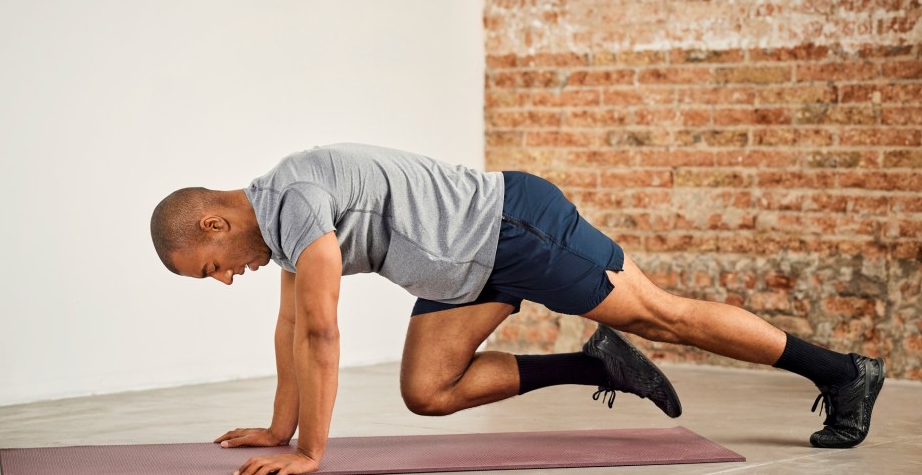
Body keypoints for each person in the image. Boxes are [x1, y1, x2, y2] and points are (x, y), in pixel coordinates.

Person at [150, 142, 885, 475]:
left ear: (214, 225)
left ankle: (844, 372)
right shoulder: (281, 220)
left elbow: (320, 329)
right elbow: (289, 327)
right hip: (458, 263)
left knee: (663, 315)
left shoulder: (298, 201)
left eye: (212, 269)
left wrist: (311, 452)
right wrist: (280, 429)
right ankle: (592, 362)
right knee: (427, 392)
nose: (225, 279)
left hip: (510, 228)